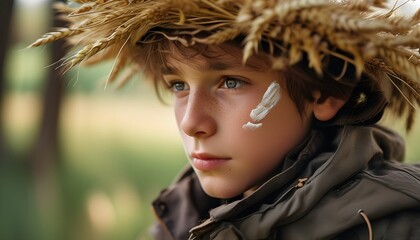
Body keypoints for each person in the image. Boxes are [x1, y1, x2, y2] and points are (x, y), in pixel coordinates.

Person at [31, 0, 420, 239]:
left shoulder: (397, 227)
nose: (191, 123)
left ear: (325, 93)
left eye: (231, 82)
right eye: (178, 85)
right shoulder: (180, 219)